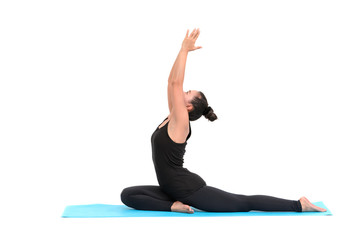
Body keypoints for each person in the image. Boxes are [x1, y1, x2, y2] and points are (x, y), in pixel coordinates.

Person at [120, 28, 327, 213]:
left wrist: (184, 50)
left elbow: (175, 82)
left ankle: (298, 204)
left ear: (188, 107)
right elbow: (170, 82)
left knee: (244, 203)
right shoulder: (172, 117)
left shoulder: (181, 123)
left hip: (190, 189)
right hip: (171, 189)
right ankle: (172, 205)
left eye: (187, 92)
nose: (181, 91)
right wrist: (182, 51)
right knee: (128, 195)